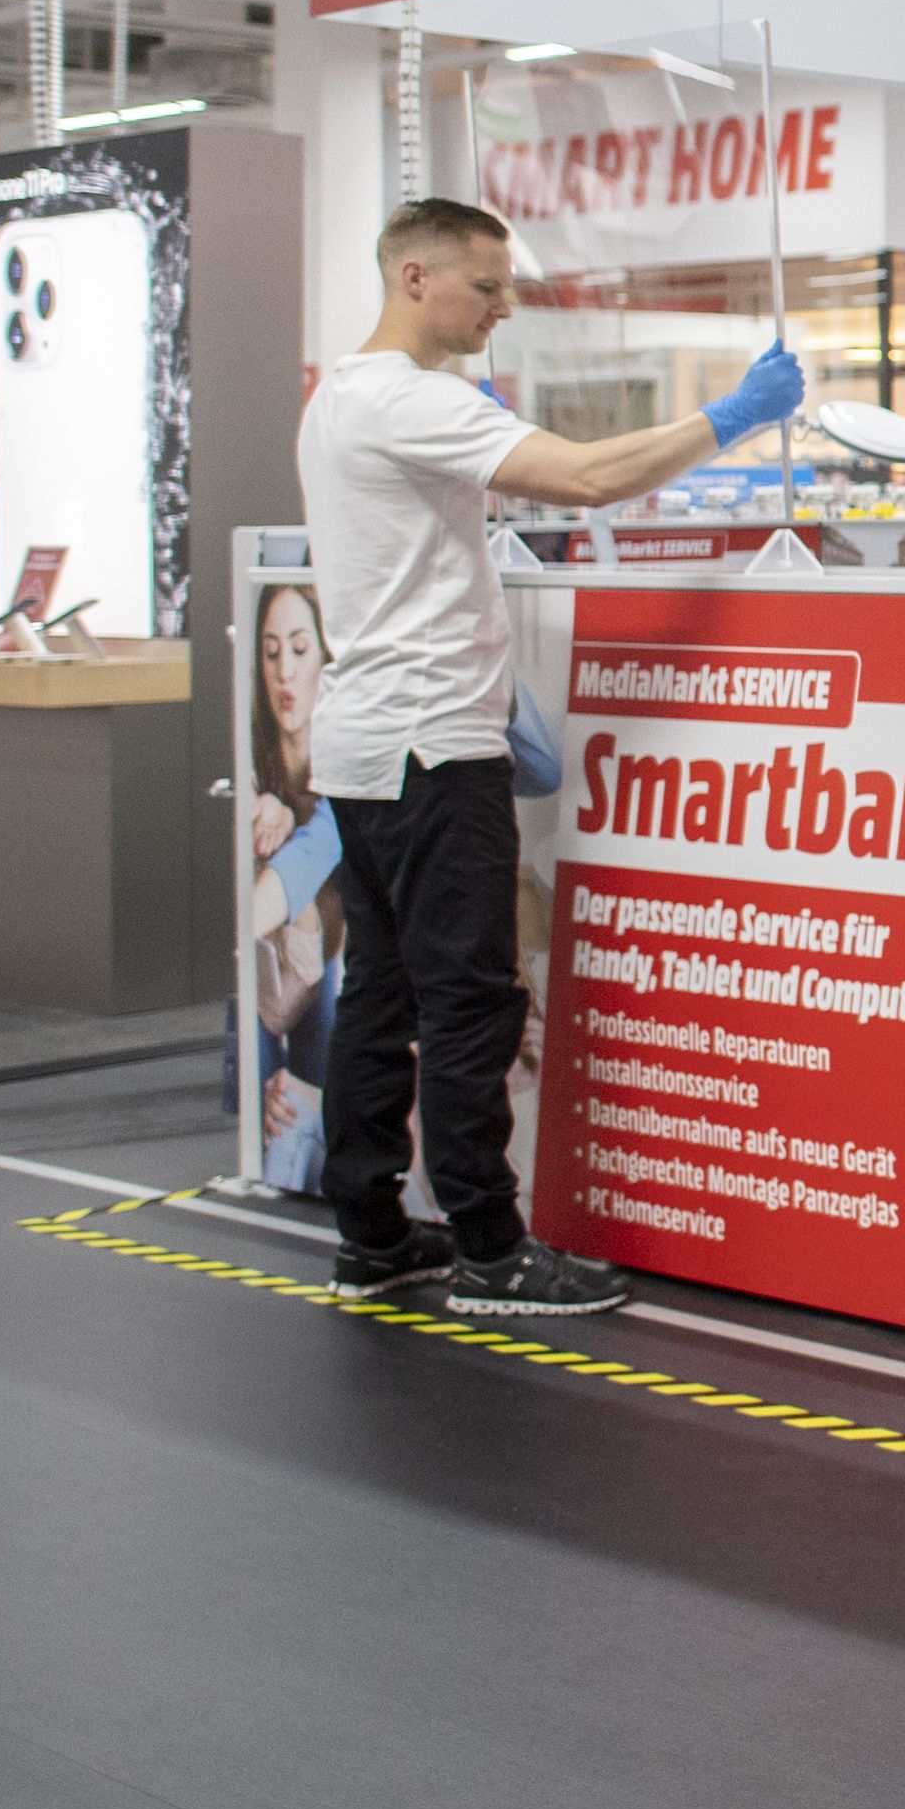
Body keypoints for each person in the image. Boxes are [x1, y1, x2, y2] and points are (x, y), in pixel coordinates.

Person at [299, 195, 800, 1314]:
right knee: (472, 1000)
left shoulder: (343, 395)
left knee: (381, 995)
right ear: (415, 278)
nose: (505, 306)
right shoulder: (409, 399)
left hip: (369, 743)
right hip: (434, 747)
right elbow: (585, 477)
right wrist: (734, 418)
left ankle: (373, 1233)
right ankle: (489, 1249)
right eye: (486, 286)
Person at [244, 582, 344, 1191]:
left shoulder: (343, 775)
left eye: (301, 650)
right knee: (282, 1123)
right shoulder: (254, 772)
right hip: (277, 1011)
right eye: (271, 650)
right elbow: (266, 997)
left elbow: (317, 854)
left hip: (338, 1022)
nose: (285, 670)